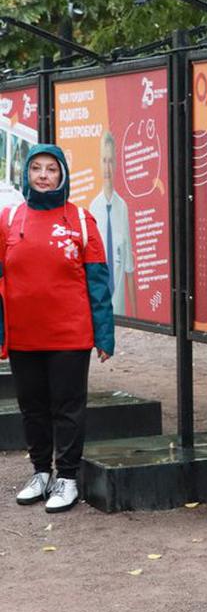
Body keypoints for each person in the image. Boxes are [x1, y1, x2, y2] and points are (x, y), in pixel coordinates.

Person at [0, 145, 114, 512]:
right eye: (37, 168)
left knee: (67, 407)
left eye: (52, 169)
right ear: (26, 174)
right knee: (32, 408)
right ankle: (40, 473)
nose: (44, 175)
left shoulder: (81, 220)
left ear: (63, 175)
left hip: (69, 334)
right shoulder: (9, 219)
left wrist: (104, 335)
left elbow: (98, 282)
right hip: (24, 336)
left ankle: (66, 477)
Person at [89, 130, 136, 315]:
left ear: (116, 164)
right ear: (99, 163)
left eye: (111, 161)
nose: (107, 167)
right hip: (97, 305)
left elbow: (129, 267)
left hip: (120, 309)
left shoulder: (122, 207)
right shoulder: (92, 208)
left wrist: (136, 318)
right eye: (104, 161)